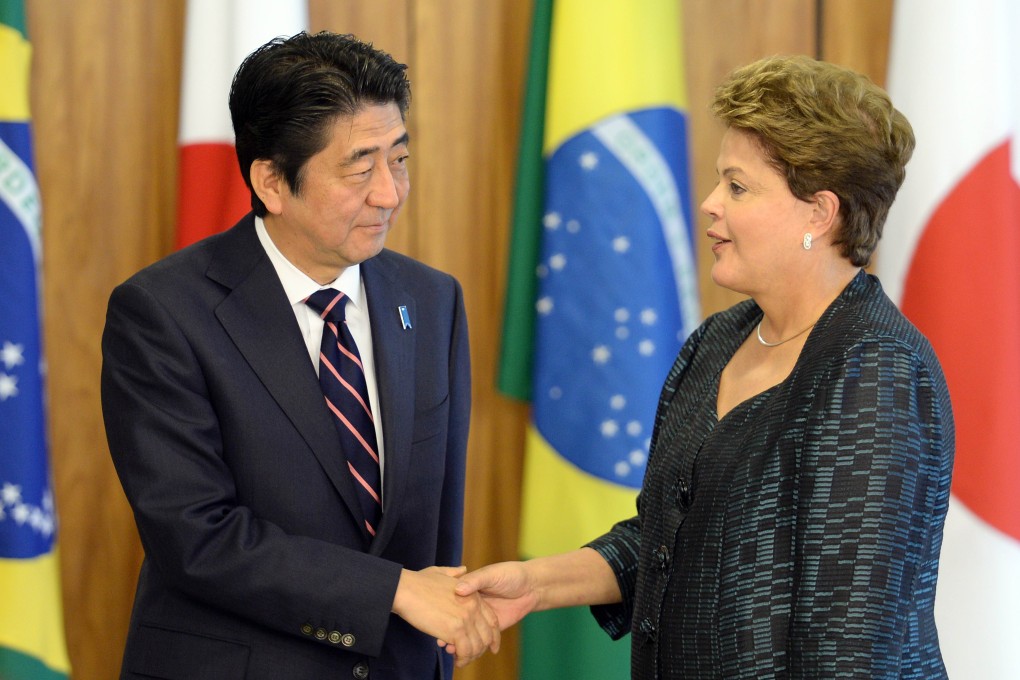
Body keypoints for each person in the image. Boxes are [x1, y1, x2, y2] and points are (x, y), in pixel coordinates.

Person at [454, 55, 955, 678]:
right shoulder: (717, 339)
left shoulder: (875, 373)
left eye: (738, 187)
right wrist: (535, 584)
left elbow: (848, 644)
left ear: (819, 214)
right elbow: (666, 540)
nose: (709, 204)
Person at [101, 31, 498, 679]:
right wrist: (394, 590)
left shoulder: (432, 301)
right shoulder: (163, 313)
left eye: (398, 158)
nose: (390, 193)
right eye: (360, 165)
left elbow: (435, 532)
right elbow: (196, 536)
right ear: (272, 181)